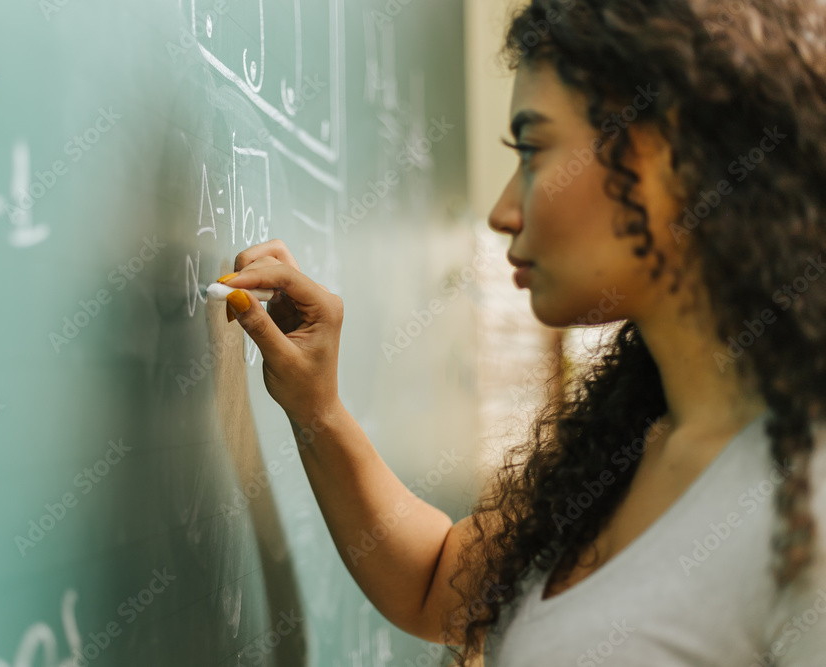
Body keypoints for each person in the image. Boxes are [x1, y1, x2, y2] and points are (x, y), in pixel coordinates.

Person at [215, 0, 826, 663]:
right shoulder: (631, 440)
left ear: (671, 156)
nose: (505, 211)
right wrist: (319, 410)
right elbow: (433, 584)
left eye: (533, 150)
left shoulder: (804, 495)